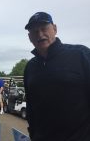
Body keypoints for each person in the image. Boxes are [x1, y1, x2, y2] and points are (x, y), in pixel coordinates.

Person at [24, 12, 90, 141]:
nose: (40, 34)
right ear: (29, 37)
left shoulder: (80, 55)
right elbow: (30, 107)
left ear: (55, 29)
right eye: (35, 31)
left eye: (44, 28)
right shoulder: (30, 67)